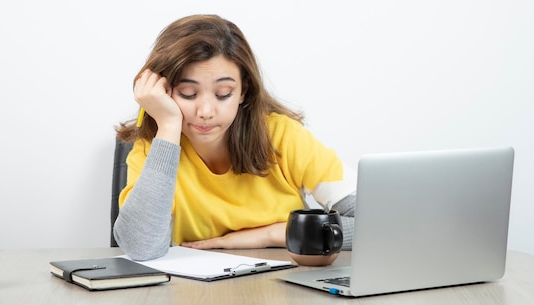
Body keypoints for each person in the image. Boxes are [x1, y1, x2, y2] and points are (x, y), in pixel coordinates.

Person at [113, 14, 355, 261]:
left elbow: (381, 222)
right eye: (187, 93)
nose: (206, 112)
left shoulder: (283, 136)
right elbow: (141, 247)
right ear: (164, 92)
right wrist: (168, 124)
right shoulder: (154, 148)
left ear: (243, 91)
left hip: (282, 292)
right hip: (190, 295)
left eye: (223, 93)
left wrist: (271, 235)